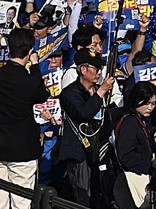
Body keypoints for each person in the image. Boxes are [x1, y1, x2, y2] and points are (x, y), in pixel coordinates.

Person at [0, 27, 52, 209]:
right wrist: (35, 65)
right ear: (29, 52)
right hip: (23, 152)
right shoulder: (30, 81)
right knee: (22, 204)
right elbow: (42, 94)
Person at [55, 49, 116, 205]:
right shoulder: (69, 93)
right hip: (79, 153)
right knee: (81, 195)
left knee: (99, 193)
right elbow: (84, 113)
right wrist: (101, 91)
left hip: (97, 152)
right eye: (96, 69)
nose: (99, 73)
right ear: (83, 70)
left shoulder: (96, 91)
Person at [112, 81, 156, 209]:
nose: (150, 107)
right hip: (130, 181)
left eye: (153, 103)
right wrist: (148, 162)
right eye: (146, 103)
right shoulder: (129, 122)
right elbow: (126, 155)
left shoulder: (141, 119)